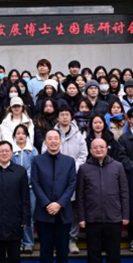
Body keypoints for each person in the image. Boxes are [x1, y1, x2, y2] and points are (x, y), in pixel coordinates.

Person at [76, 138, 129, 263]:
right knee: (94, 254)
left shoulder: (117, 166)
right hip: (92, 219)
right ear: (90, 150)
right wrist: (82, 217)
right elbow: (80, 195)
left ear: (107, 148)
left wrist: (125, 215)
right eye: (95, 147)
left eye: (101, 147)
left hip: (113, 218)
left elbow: (124, 192)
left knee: (114, 254)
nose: (98, 150)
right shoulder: (84, 169)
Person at [32, 130, 77, 263]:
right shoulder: (37, 160)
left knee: (63, 251)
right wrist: (47, 204)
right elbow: (35, 183)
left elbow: (72, 184)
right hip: (44, 213)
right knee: (45, 251)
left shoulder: (69, 161)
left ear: (60, 141)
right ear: (45, 141)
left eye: (56, 138)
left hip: (63, 212)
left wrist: (59, 203)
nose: (53, 141)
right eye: (49, 138)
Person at [50, 105, 88, 254]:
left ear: (71, 117)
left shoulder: (78, 135)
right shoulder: (52, 134)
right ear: (58, 117)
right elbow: (46, 153)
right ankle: (57, 241)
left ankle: (72, 240)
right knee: (56, 209)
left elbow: (83, 155)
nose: (65, 117)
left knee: (72, 211)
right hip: (55, 178)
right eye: (62, 114)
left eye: (67, 114)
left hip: (74, 177)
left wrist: (72, 168)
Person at [10, 124, 38, 254]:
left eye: (23, 133)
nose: (21, 136)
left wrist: (24, 177)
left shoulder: (33, 151)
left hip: (30, 188)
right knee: (15, 215)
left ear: (27, 136)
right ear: (14, 136)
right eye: (18, 133)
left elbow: (35, 168)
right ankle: (17, 242)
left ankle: (28, 243)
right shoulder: (11, 150)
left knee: (29, 216)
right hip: (14, 188)